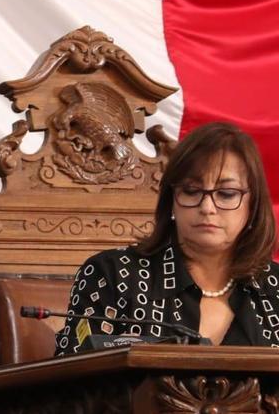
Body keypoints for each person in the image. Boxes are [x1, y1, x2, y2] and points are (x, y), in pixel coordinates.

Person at [55, 121, 279, 355]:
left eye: (226, 194)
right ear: (171, 200)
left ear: (252, 206)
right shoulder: (112, 274)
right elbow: (73, 372)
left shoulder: (275, 288)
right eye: (191, 191)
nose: (207, 207)